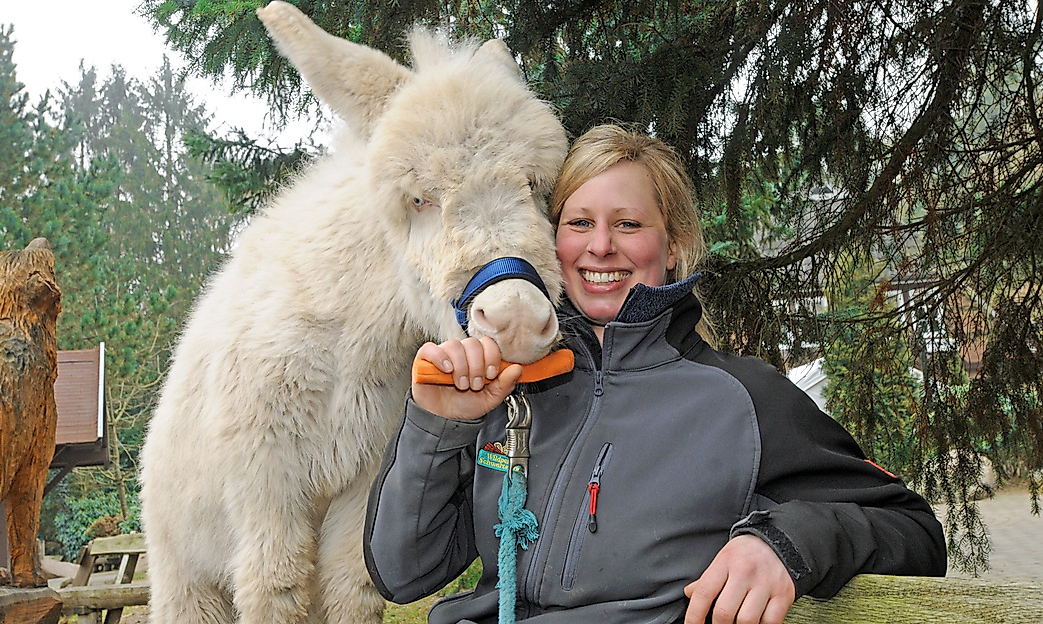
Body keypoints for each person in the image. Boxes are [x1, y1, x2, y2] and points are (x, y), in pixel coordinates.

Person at [363, 124, 946, 624]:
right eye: (579, 221)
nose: (599, 246)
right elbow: (403, 573)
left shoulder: (740, 399)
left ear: (674, 245)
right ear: (552, 239)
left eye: (628, 224)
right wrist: (438, 429)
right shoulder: (506, 388)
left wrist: (787, 544)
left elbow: (912, 531)